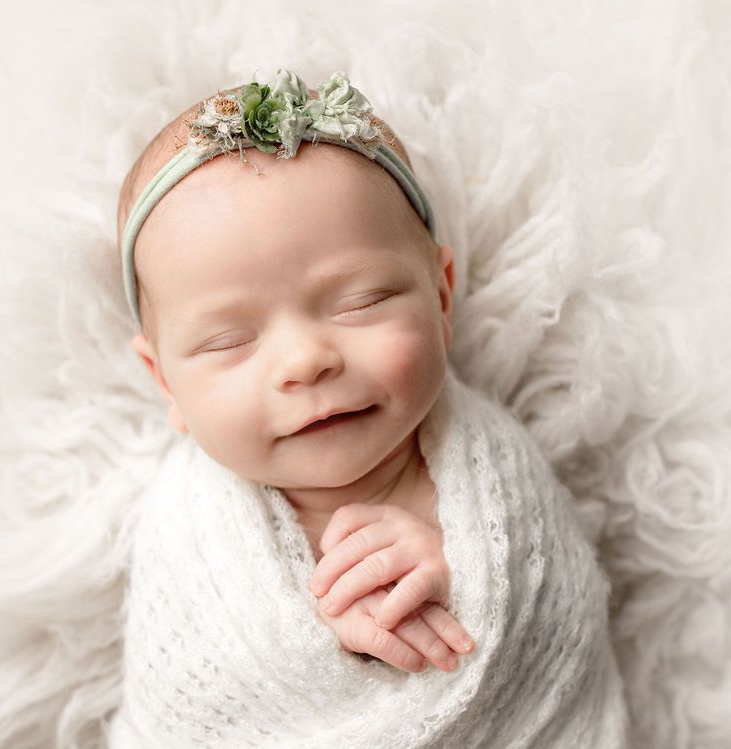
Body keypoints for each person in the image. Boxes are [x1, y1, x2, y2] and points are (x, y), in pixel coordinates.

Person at [110, 69, 628, 748]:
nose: (305, 360)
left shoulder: (499, 483)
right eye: (229, 339)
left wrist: (462, 583)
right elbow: (188, 704)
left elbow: (548, 623)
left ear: (442, 299)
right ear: (166, 383)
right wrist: (326, 643)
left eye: (359, 302)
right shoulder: (187, 535)